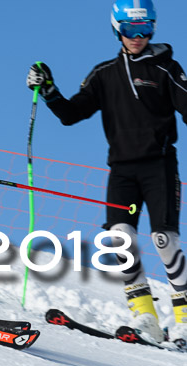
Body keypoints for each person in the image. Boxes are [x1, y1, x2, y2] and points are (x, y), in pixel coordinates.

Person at [26, 0, 187, 343]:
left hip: (159, 166)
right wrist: (50, 90)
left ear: (153, 29)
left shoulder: (167, 69)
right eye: (130, 30)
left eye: (145, 30)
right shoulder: (104, 74)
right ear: (117, 29)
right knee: (119, 238)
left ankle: (185, 315)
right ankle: (146, 315)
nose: (138, 37)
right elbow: (71, 113)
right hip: (122, 170)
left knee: (164, 240)